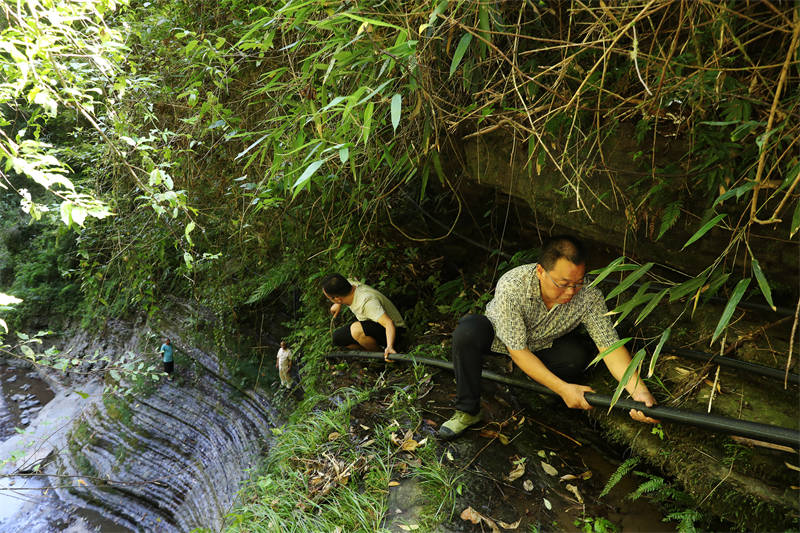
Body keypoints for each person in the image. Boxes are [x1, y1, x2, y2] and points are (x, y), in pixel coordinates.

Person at [439, 235, 658, 440]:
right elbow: (518, 350)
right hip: (500, 341)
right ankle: (467, 411)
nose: (572, 291)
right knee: (468, 331)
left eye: (578, 282)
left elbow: (609, 345)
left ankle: (535, 383)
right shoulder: (513, 285)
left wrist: (639, 391)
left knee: (576, 357)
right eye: (562, 284)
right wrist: (564, 389)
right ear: (541, 271)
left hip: (541, 346)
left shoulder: (589, 296)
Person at [322, 273, 407, 362]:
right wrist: (337, 304)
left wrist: (390, 346)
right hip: (374, 324)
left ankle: (384, 357)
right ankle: (375, 353)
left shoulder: (366, 302)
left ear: (338, 298)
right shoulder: (348, 285)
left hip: (396, 332)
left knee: (356, 330)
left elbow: (389, 323)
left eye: (329, 298)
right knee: (338, 338)